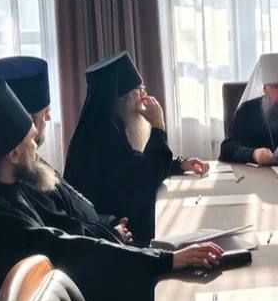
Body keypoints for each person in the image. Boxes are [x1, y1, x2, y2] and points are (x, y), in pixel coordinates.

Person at [0, 77, 223, 301]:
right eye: (31, 140)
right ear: (14, 154)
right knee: (183, 297)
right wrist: (167, 260)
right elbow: (75, 251)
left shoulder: (1, 188)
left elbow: (68, 226)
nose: (36, 148)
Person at [63, 51, 208, 248]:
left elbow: (135, 165)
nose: (144, 96)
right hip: (110, 237)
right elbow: (146, 176)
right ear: (123, 96)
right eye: (139, 90)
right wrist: (158, 125)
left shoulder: (105, 124)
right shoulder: (102, 134)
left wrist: (178, 164)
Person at [0, 56, 131, 244]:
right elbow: (64, 234)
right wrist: (111, 233)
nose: (48, 119)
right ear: (28, 122)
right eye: (45, 113)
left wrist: (109, 224)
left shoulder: (30, 160)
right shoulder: (22, 174)